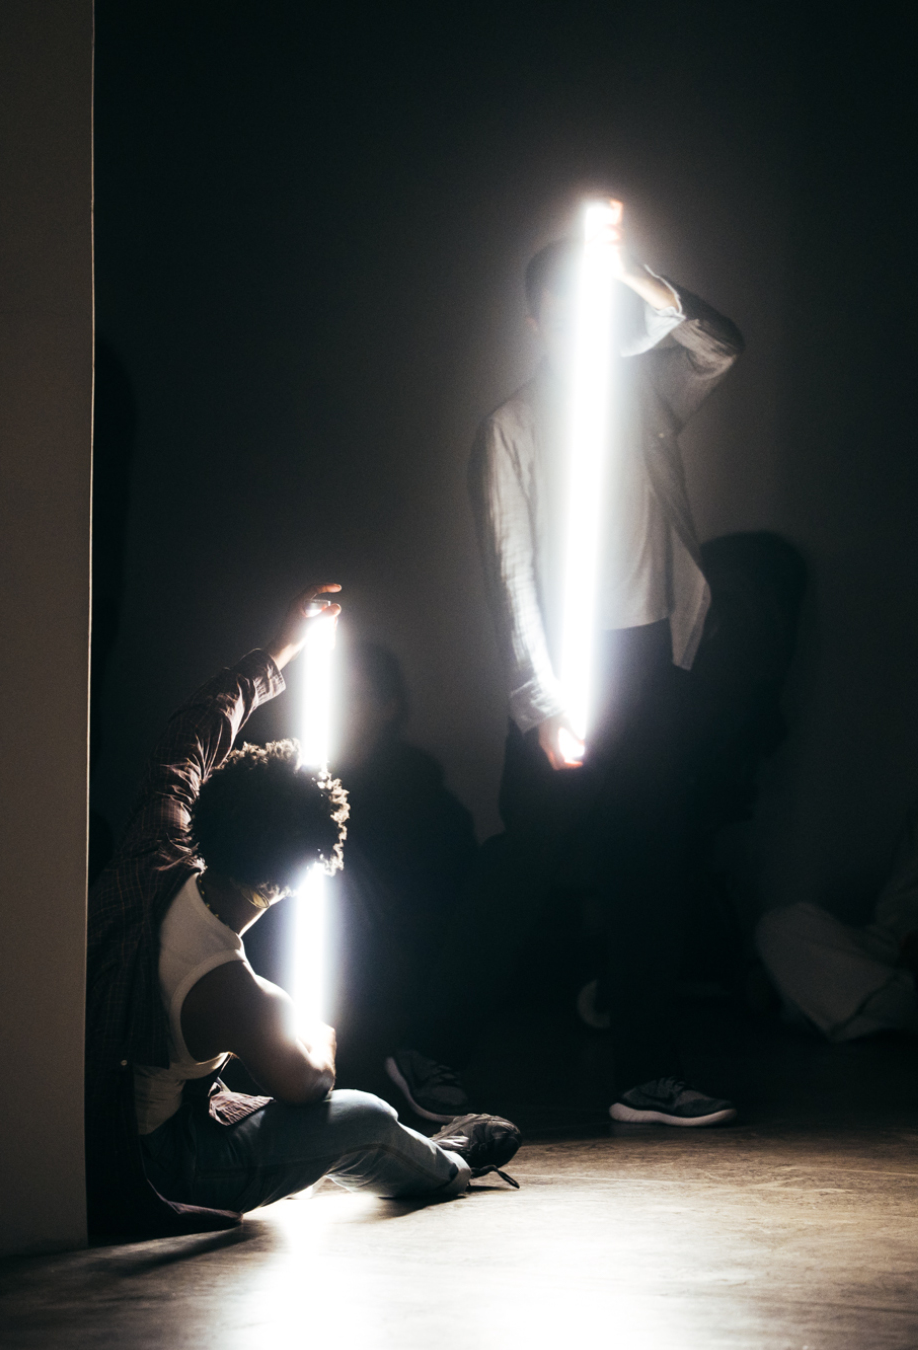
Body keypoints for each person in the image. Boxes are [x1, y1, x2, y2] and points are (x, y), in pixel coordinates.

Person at [386, 203, 744, 1128]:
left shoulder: (644, 392)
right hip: (572, 670)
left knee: (651, 864)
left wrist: (629, 269)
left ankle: (648, 1077)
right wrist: (543, 702)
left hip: (651, 657)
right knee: (527, 863)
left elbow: (718, 346)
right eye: (565, 308)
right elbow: (509, 577)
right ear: (536, 322)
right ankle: (426, 1052)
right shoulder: (510, 427)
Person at [85, 584, 521, 1238]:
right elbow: (309, 1083)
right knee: (366, 1117)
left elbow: (193, 729)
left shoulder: (157, 842)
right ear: (292, 881)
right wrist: (308, 1028)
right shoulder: (226, 985)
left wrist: (282, 646)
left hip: (82, 1115)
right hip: (150, 1162)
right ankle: (448, 1165)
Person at [329, 642, 478, 1073]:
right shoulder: (298, 790)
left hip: (392, 987)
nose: (339, 709)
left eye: (354, 696)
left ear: (387, 706)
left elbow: (440, 912)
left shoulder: (425, 802)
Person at [756, 808, 918, 1042]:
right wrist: (909, 936)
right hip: (897, 956)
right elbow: (899, 905)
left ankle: (862, 1010)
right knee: (778, 925)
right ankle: (890, 1007)